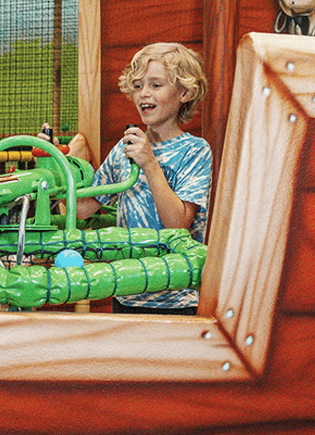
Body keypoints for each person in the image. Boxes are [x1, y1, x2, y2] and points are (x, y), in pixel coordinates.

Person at [66, 42, 211, 315]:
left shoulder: (195, 150)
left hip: (178, 301)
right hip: (126, 295)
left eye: (156, 85)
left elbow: (178, 225)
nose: (144, 93)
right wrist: (57, 166)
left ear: (185, 92)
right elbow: (82, 210)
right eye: (138, 85)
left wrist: (150, 164)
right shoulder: (125, 149)